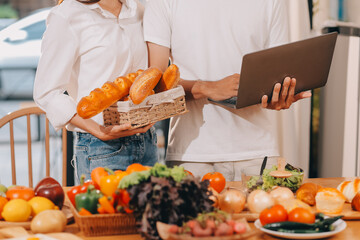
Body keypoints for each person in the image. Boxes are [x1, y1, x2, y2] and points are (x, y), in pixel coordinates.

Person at [143, 0, 311, 181]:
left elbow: (276, 73)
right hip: (192, 156)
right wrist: (207, 88)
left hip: (258, 157)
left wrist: (278, 96)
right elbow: (156, 84)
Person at [33, 0, 158, 184]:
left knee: (151, 213)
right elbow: (47, 92)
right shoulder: (67, 15)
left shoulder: (137, 10)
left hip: (146, 140)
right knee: (106, 213)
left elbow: (150, 74)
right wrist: (100, 131)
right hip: (102, 148)